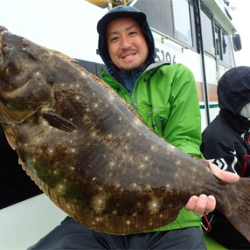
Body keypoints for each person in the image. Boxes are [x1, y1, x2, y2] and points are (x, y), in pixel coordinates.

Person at [27, 6, 239, 250]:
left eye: (132, 33)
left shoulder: (177, 76)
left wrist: (197, 174)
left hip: (172, 221)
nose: (124, 44)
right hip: (103, 218)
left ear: (146, 38)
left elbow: (184, 138)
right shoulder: (92, 88)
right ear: (106, 49)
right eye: (114, 39)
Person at [201, 66, 250, 250]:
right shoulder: (217, 139)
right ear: (238, 103)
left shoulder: (243, 127)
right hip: (223, 218)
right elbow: (225, 197)